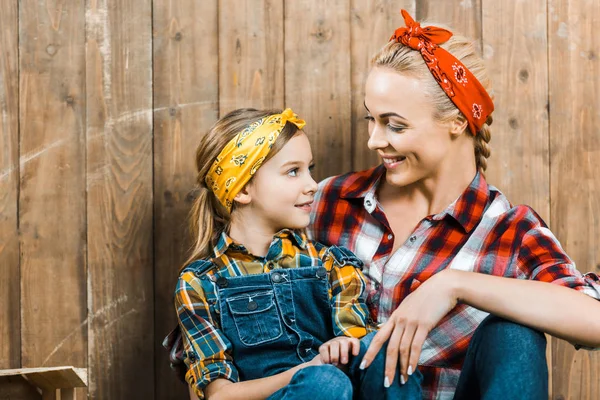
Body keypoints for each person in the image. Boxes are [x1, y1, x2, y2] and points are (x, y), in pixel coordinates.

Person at [308, 10, 600, 400]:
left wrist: (453, 286)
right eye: (371, 119)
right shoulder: (331, 201)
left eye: (394, 125)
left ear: (457, 122)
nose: (374, 140)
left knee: (512, 333)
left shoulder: (507, 231)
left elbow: (594, 320)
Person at [173, 107, 422, 400]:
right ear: (241, 190)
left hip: (339, 388)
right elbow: (218, 395)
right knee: (323, 383)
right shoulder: (200, 282)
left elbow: (358, 350)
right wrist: (308, 371)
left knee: (382, 350)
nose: (312, 185)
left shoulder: (332, 264)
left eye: (309, 169)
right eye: (293, 171)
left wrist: (343, 345)